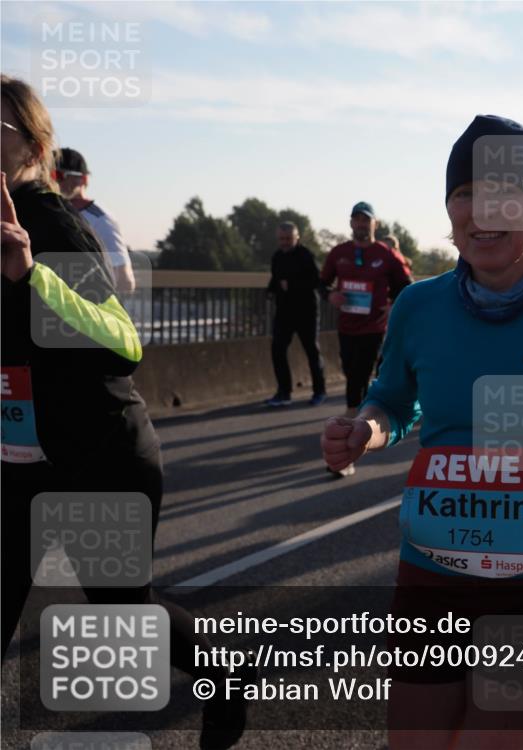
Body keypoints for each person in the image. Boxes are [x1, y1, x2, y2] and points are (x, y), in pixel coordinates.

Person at [321, 115, 523, 749]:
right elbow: (393, 399)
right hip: (433, 573)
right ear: (449, 209)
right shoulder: (419, 305)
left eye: (504, 195)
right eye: (466, 195)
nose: (482, 213)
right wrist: (366, 430)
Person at [1, 74, 252, 750]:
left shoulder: (48, 222)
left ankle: (225, 675)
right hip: (21, 461)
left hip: (98, 455)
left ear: (32, 145)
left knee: (123, 611)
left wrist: (31, 276)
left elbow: (123, 340)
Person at [320, 202, 411, 477]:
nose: (361, 224)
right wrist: (330, 296)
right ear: (351, 224)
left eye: (366, 220)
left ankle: (346, 450)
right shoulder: (339, 253)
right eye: (356, 220)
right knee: (352, 374)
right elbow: (321, 282)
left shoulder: (385, 254)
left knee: (357, 380)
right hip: (347, 327)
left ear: (375, 224)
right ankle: (352, 431)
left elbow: (406, 287)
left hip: (373, 328)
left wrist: (392, 305)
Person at [54, 147, 135, 294]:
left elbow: (124, 280)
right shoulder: (51, 213)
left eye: (59, 175)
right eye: (49, 174)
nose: (53, 180)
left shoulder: (101, 219)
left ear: (83, 179)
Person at [265, 221, 327, 407]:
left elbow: (316, 281)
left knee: (311, 351)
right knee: (277, 349)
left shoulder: (306, 255)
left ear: (297, 238)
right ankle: (284, 392)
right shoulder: (277, 256)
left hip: (306, 310)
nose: (284, 242)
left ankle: (319, 391)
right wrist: (270, 290)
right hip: (284, 311)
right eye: (281, 239)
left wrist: (291, 285)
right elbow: (276, 279)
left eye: (288, 239)